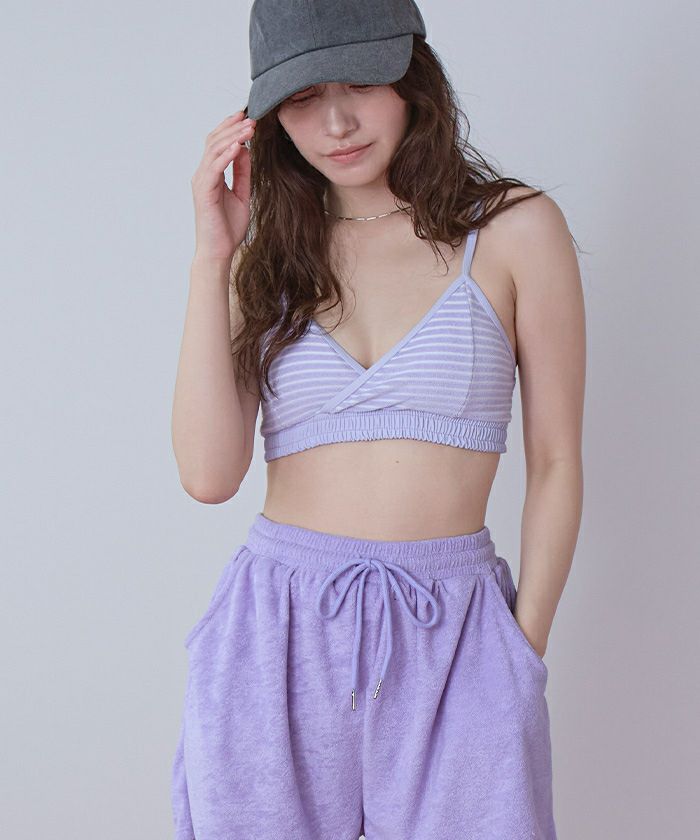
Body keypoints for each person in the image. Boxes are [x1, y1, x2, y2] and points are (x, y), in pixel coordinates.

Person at [170, 1, 585, 838]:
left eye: (360, 82)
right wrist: (213, 257)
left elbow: (556, 459)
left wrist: (521, 650)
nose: (336, 123)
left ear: (410, 76)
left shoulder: (514, 229)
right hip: (275, 631)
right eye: (301, 98)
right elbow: (209, 475)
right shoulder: (269, 257)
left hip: (456, 632)